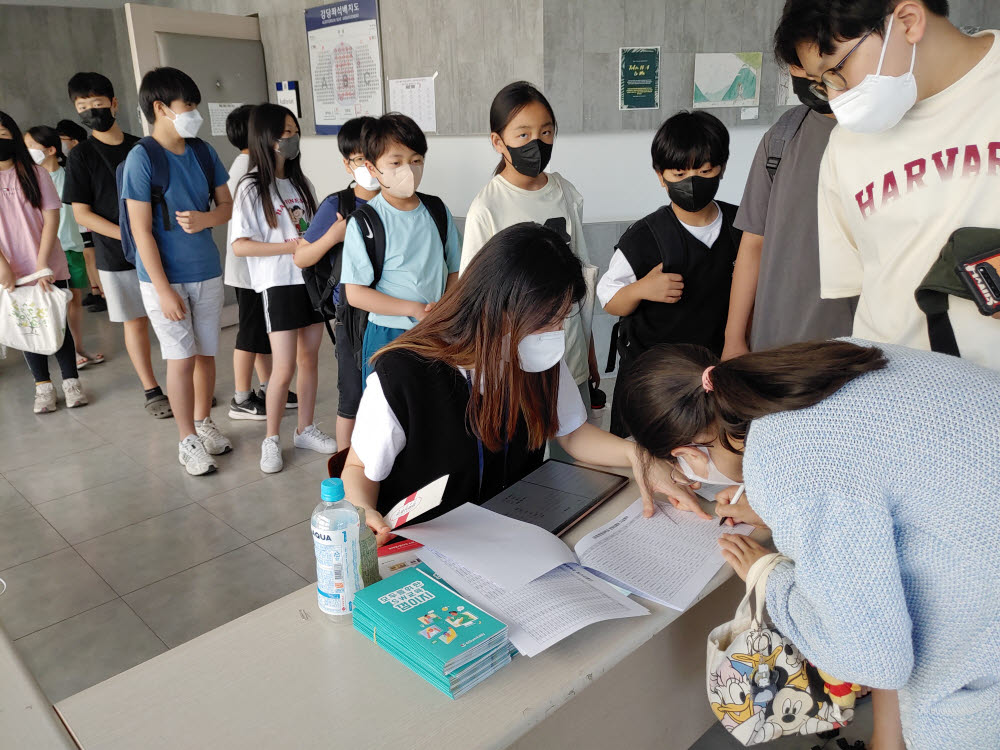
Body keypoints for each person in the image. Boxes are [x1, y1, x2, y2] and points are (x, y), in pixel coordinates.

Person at [620, 338, 1000, 749]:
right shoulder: (813, 361)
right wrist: (779, 507)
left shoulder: (791, 465)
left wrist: (769, 577)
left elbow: (874, 660)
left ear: (686, 455)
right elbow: (886, 468)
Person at [342, 223, 690, 544]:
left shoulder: (534, 357)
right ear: (495, 308)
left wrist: (636, 455)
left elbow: (571, 432)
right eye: (542, 322)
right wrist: (363, 510)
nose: (553, 334)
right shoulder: (403, 375)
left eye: (560, 319)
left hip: (512, 535)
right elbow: (359, 469)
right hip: (430, 545)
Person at [774, 0, 1000, 368]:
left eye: (837, 71)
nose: (835, 97)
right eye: (821, 83)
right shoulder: (845, 147)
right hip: (897, 400)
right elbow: (862, 287)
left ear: (908, 22)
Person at [597, 111, 741, 436]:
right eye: (679, 173)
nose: (692, 182)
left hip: (714, 369)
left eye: (705, 171)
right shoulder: (644, 238)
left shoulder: (741, 227)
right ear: (660, 177)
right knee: (648, 448)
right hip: (653, 377)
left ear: (721, 169)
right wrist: (641, 289)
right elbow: (608, 298)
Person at [461, 82, 599, 413]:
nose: (537, 143)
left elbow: (581, 281)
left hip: (570, 355)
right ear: (498, 141)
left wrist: (589, 350)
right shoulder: (487, 208)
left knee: (573, 452)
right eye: (523, 135)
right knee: (529, 457)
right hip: (517, 365)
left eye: (546, 132)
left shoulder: (565, 193)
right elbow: (475, 301)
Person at [122, 67, 233, 476]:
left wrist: (207, 220)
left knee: (206, 354)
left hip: (206, 271)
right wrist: (164, 289)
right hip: (163, 280)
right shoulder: (142, 158)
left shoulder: (203, 152)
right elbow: (140, 230)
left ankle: (204, 421)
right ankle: (187, 438)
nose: (195, 114)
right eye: (188, 106)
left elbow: (227, 206)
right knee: (180, 359)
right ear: (160, 108)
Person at [231, 102, 336, 474]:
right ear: (266, 137)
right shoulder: (250, 187)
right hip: (278, 283)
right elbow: (240, 245)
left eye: (294, 132)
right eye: (285, 133)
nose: (292, 139)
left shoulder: (300, 183)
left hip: (309, 281)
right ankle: (271, 438)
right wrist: (289, 247)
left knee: (310, 359)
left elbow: (311, 228)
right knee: (284, 367)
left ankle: (305, 428)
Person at [721, 79, 856, 360]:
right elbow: (753, 244)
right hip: (777, 345)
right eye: (797, 66)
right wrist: (733, 339)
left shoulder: (892, 134)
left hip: (859, 345)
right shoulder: (783, 136)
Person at [63, 72, 169, 416]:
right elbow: (82, 213)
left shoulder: (144, 146)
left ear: (114, 103)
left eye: (97, 103)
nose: (92, 111)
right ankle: (152, 390)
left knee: (172, 317)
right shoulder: (81, 157)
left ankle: (183, 383)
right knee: (136, 321)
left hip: (161, 247)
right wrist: (127, 234)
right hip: (116, 253)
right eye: (83, 107)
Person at [340, 112, 462, 383]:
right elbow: (356, 294)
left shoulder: (437, 210)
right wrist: (412, 309)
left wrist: (443, 308)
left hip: (437, 332)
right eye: (396, 162)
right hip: (387, 334)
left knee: (435, 412)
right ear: (372, 169)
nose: (408, 170)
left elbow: (456, 268)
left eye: (416, 160)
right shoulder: (366, 222)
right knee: (389, 415)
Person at [293, 115, 379, 451]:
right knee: (352, 396)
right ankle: (346, 469)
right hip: (353, 314)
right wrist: (334, 235)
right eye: (361, 159)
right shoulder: (337, 206)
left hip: (394, 312)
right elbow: (301, 258)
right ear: (348, 164)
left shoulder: (399, 201)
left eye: (376, 156)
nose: (370, 166)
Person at [0, 112, 88, 413]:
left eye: (2, 133)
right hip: (10, 269)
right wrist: (3, 268)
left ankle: (71, 382)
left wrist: (42, 265)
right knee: (27, 325)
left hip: (46, 262)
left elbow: (52, 218)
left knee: (56, 321)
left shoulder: (36, 174)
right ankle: (43, 386)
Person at [25, 125, 105, 369]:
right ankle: (61, 352)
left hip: (73, 246)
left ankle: (78, 347)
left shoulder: (70, 175)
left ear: (50, 150)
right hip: (47, 252)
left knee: (74, 302)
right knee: (52, 305)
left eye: (32, 146)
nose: (27, 151)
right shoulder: (30, 179)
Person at [224, 103, 280, 421]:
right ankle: (241, 397)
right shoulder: (245, 168)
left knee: (259, 330)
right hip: (247, 269)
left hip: (255, 267)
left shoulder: (250, 163)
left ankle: (269, 386)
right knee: (250, 332)